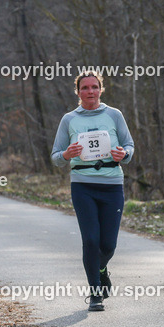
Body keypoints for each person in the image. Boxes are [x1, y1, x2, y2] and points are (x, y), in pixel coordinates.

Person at [51, 71, 134, 312]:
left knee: (108, 245)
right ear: (77, 92)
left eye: (94, 87)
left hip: (112, 185)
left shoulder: (114, 115)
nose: (90, 92)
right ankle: (95, 292)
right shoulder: (69, 119)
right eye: (85, 88)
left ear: (101, 90)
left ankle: (101, 268)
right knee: (90, 240)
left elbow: (129, 146)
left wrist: (124, 154)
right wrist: (67, 154)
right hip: (83, 184)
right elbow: (56, 157)